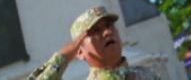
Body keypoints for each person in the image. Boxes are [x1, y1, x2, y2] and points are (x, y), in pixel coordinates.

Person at [29, 6, 161, 80]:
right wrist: (63, 57)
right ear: (79, 52)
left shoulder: (147, 74)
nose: (107, 32)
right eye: (96, 31)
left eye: (109, 26)